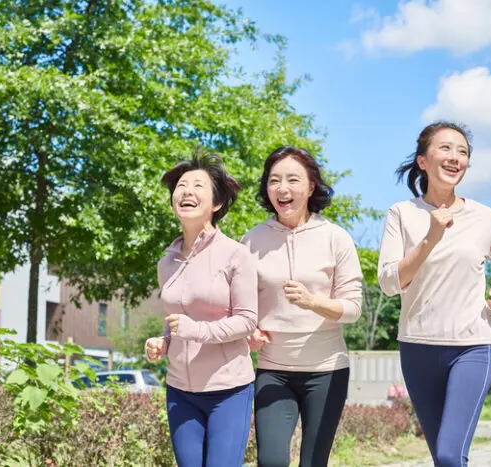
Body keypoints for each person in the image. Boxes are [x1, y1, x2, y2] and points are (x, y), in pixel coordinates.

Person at [378, 121, 491, 466]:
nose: (455, 157)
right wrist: (430, 237)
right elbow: (388, 282)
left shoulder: (484, 216)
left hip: (472, 345)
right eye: (445, 148)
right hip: (417, 347)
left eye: (463, 152)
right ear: (422, 161)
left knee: (448, 455)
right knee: (443, 457)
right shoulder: (402, 214)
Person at [241, 146, 363, 467]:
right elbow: (240, 304)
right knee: (271, 461)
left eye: (293, 180)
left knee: (313, 462)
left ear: (310, 187)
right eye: (274, 180)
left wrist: (312, 301)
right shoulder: (251, 241)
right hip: (273, 370)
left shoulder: (336, 238)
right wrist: (249, 330)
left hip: (327, 371)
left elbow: (353, 308)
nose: (283, 188)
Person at [144, 151, 258, 467]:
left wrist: (197, 331)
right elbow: (175, 318)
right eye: (181, 186)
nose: (187, 192)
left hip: (228, 390)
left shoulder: (236, 255)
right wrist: (163, 342)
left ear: (216, 203)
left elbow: (247, 320)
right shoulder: (166, 262)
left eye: (198, 186)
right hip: (180, 390)